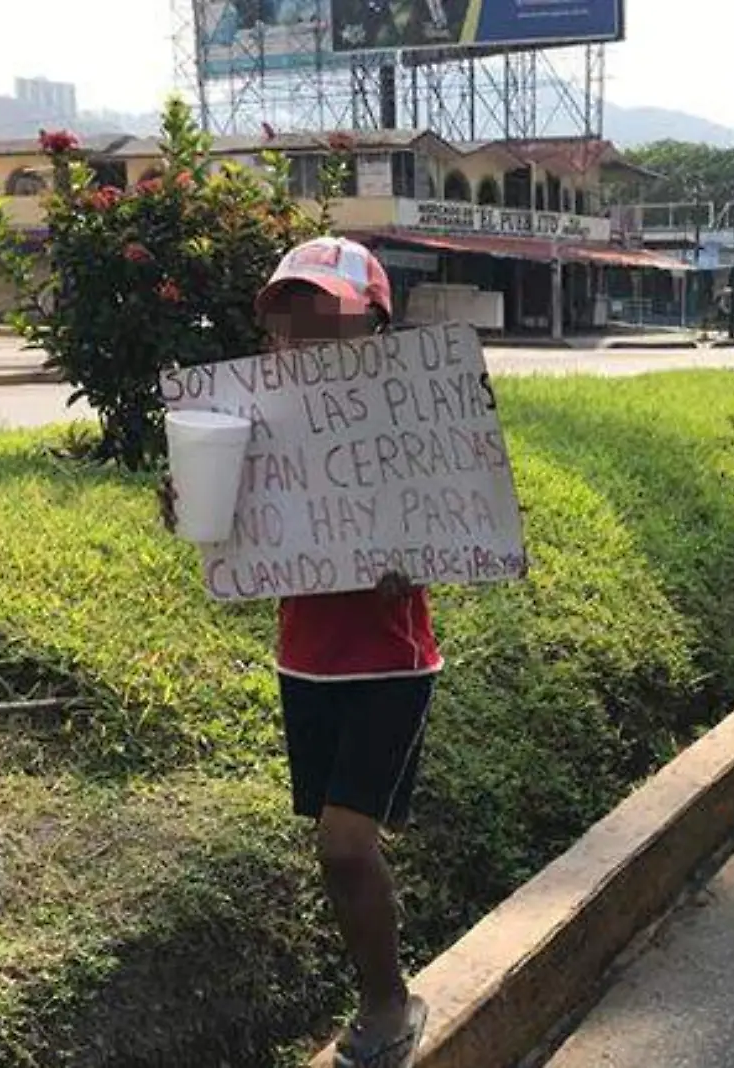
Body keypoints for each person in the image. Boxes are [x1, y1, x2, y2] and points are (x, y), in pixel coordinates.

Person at [162, 237, 438, 1068]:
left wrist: (414, 557)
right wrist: (183, 504)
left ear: (375, 332)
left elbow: (461, 524)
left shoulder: (415, 418)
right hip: (304, 660)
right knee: (340, 843)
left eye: (328, 322)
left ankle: (389, 1002)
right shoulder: (250, 421)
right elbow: (234, 532)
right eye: (291, 321)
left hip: (390, 663)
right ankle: (379, 980)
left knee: (344, 844)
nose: (304, 341)